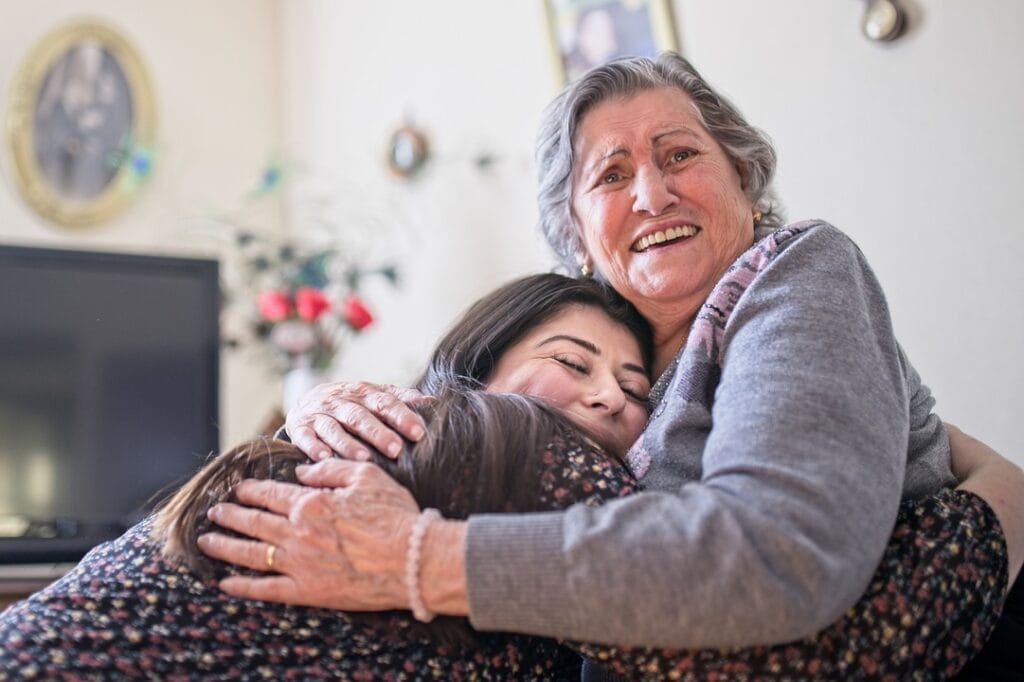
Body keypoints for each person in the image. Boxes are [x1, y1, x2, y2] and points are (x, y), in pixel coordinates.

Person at [199, 52, 1024, 676]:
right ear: (578, 235)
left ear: (744, 178)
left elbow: (779, 549)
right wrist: (336, 410)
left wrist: (415, 559)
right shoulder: (616, 353)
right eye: (613, 175)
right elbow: (481, 424)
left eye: (680, 155)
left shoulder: (795, 270)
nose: (652, 196)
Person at [0, 274, 649, 678]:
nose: (611, 398)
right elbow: (690, 633)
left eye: (637, 387)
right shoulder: (543, 450)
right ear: (480, 365)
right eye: (572, 361)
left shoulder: (350, 436)